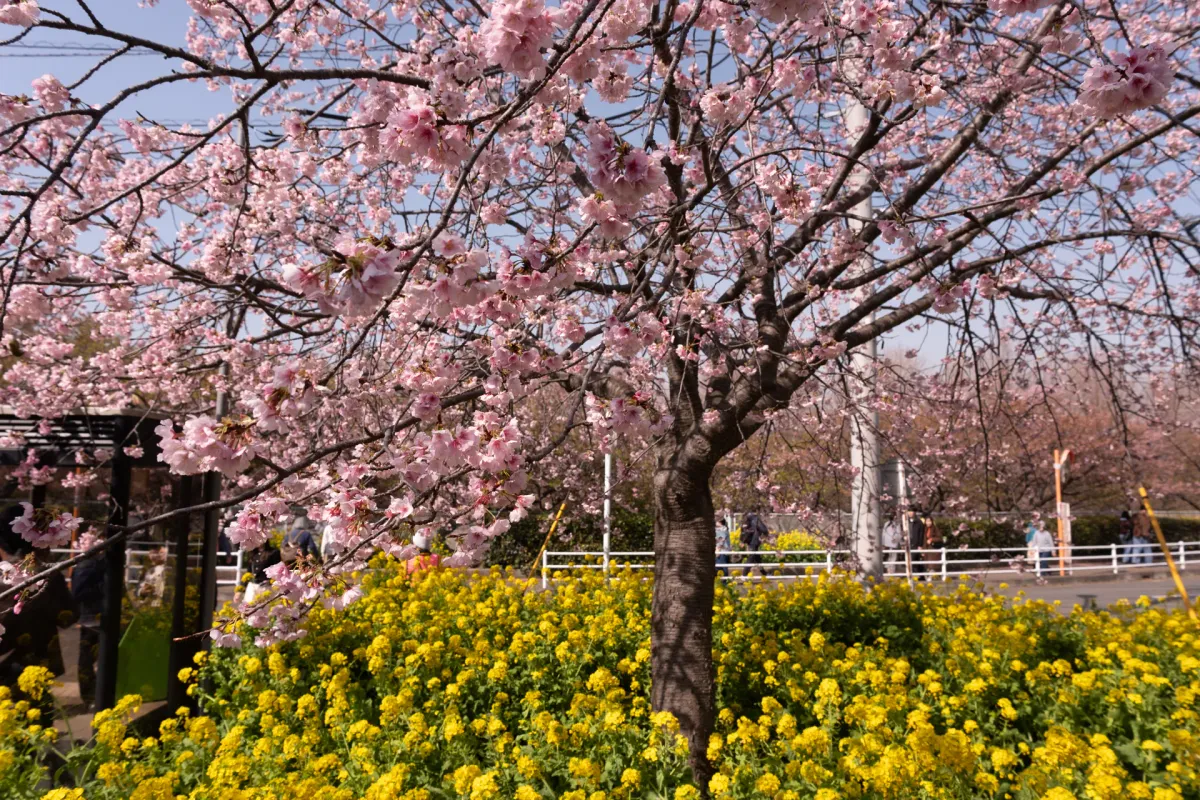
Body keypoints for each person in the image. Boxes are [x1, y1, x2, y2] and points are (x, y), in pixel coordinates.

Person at [71, 536, 106, 709]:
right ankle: (91, 696)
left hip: (91, 618)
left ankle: (91, 696)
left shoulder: (90, 564)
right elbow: (78, 592)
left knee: (87, 660)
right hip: (91, 619)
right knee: (88, 660)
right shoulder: (90, 565)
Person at [921, 514, 941, 579]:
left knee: (932, 564)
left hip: (933, 549)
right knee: (927, 564)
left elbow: (940, 538)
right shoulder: (924, 529)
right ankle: (928, 577)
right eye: (927, 521)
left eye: (929, 521)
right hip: (926, 548)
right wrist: (923, 549)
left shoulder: (935, 528)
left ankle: (933, 577)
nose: (928, 523)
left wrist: (932, 539)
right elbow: (923, 540)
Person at [907, 510, 926, 575]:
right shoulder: (905, 521)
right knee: (908, 559)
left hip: (916, 544)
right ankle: (910, 574)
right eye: (909, 511)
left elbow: (921, 534)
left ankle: (916, 575)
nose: (910, 513)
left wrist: (920, 545)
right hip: (908, 543)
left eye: (911, 511)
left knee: (915, 559)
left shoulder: (919, 522)